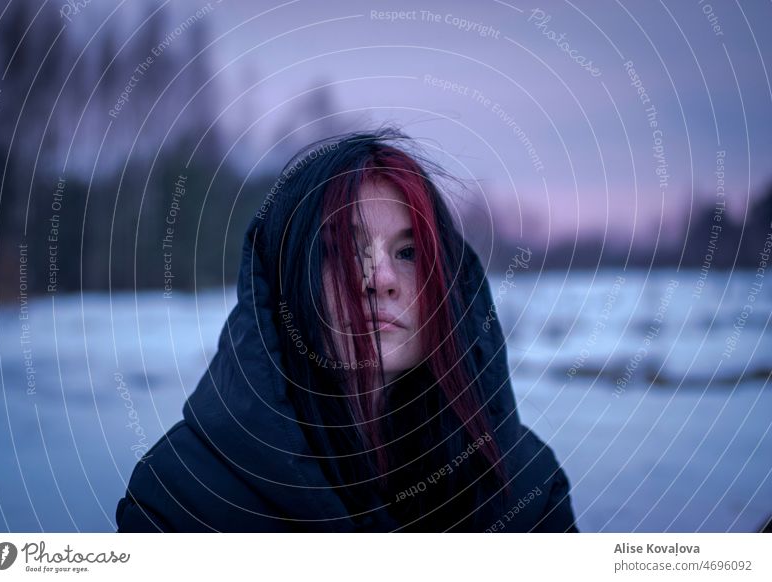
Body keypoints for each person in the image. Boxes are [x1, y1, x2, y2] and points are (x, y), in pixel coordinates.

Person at [115, 128, 578, 532]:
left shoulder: (524, 487)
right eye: (342, 249)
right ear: (287, 280)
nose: (381, 280)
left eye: (408, 253)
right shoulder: (187, 493)